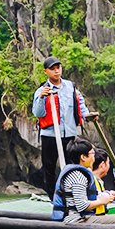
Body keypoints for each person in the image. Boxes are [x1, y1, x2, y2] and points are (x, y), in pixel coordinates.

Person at [32, 57, 93, 194]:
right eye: (52, 69)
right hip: (50, 135)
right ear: (46, 71)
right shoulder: (42, 90)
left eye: (58, 68)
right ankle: (53, 198)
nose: (56, 71)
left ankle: (72, 194)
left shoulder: (70, 87)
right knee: (49, 168)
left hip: (69, 134)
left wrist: (88, 116)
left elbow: (80, 105)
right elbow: (38, 112)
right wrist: (42, 98)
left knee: (72, 166)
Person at [52, 138, 115, 222]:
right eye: (92, 154)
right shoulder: (78, 176)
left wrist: (107, 195)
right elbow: (82, 206)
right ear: (83, 157)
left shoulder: (77, 174)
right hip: (75, 220)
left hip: (80, 218)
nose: (94, 158)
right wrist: (101, 201)